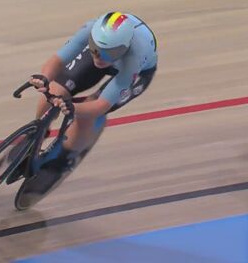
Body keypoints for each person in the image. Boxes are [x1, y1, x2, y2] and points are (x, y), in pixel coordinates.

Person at [24, 12, 158, 172]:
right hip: (113, 54)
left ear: (124, 48)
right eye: (95, 49)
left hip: (137, 72)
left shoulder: (134, 57)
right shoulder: (91, 30)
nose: (101, 57)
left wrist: (72, 108)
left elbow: (101, 105)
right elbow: (57, 60)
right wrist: (44, 78)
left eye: (110, 53)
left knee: (87, 112)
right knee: (55, 89)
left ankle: (65, 157)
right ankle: (38, 131)